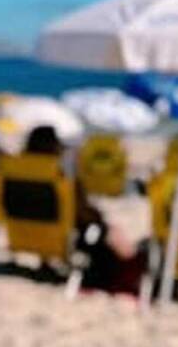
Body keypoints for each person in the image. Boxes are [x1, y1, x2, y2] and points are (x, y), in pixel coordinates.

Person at [23, 125, 148, 296]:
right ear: (52, 147)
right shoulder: (57, 177)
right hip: (63, 234)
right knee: (106, 233)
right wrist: (99, 219)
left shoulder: (14, 171)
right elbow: (82, 212)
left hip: (23, 233)